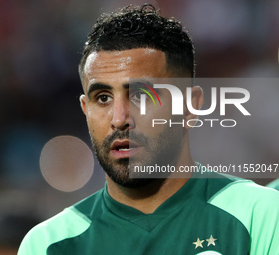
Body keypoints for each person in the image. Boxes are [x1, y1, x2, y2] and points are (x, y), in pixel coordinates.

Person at [18, 4, 279, 254]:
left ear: (189, 106)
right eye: (103, 98)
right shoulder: (50, 244)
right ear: (85, 108)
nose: (119, 119)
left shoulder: (259, 215)